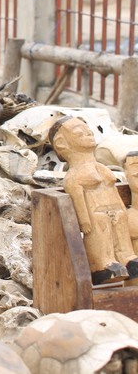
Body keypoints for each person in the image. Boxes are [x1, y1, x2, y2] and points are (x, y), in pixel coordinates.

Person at [49, 116, 138, 285]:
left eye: (87, 128)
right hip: (95, 215)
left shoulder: (102, 168)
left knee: (120, 227)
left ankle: (127, 257)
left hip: (115, 210)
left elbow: (113, 190)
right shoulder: (74, 175)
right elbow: (77, 195)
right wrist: (84, 220)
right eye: (79, 132)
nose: (88, 132)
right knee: (100, 233)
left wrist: (122, 211)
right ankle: (104, 263)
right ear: (62, 144)